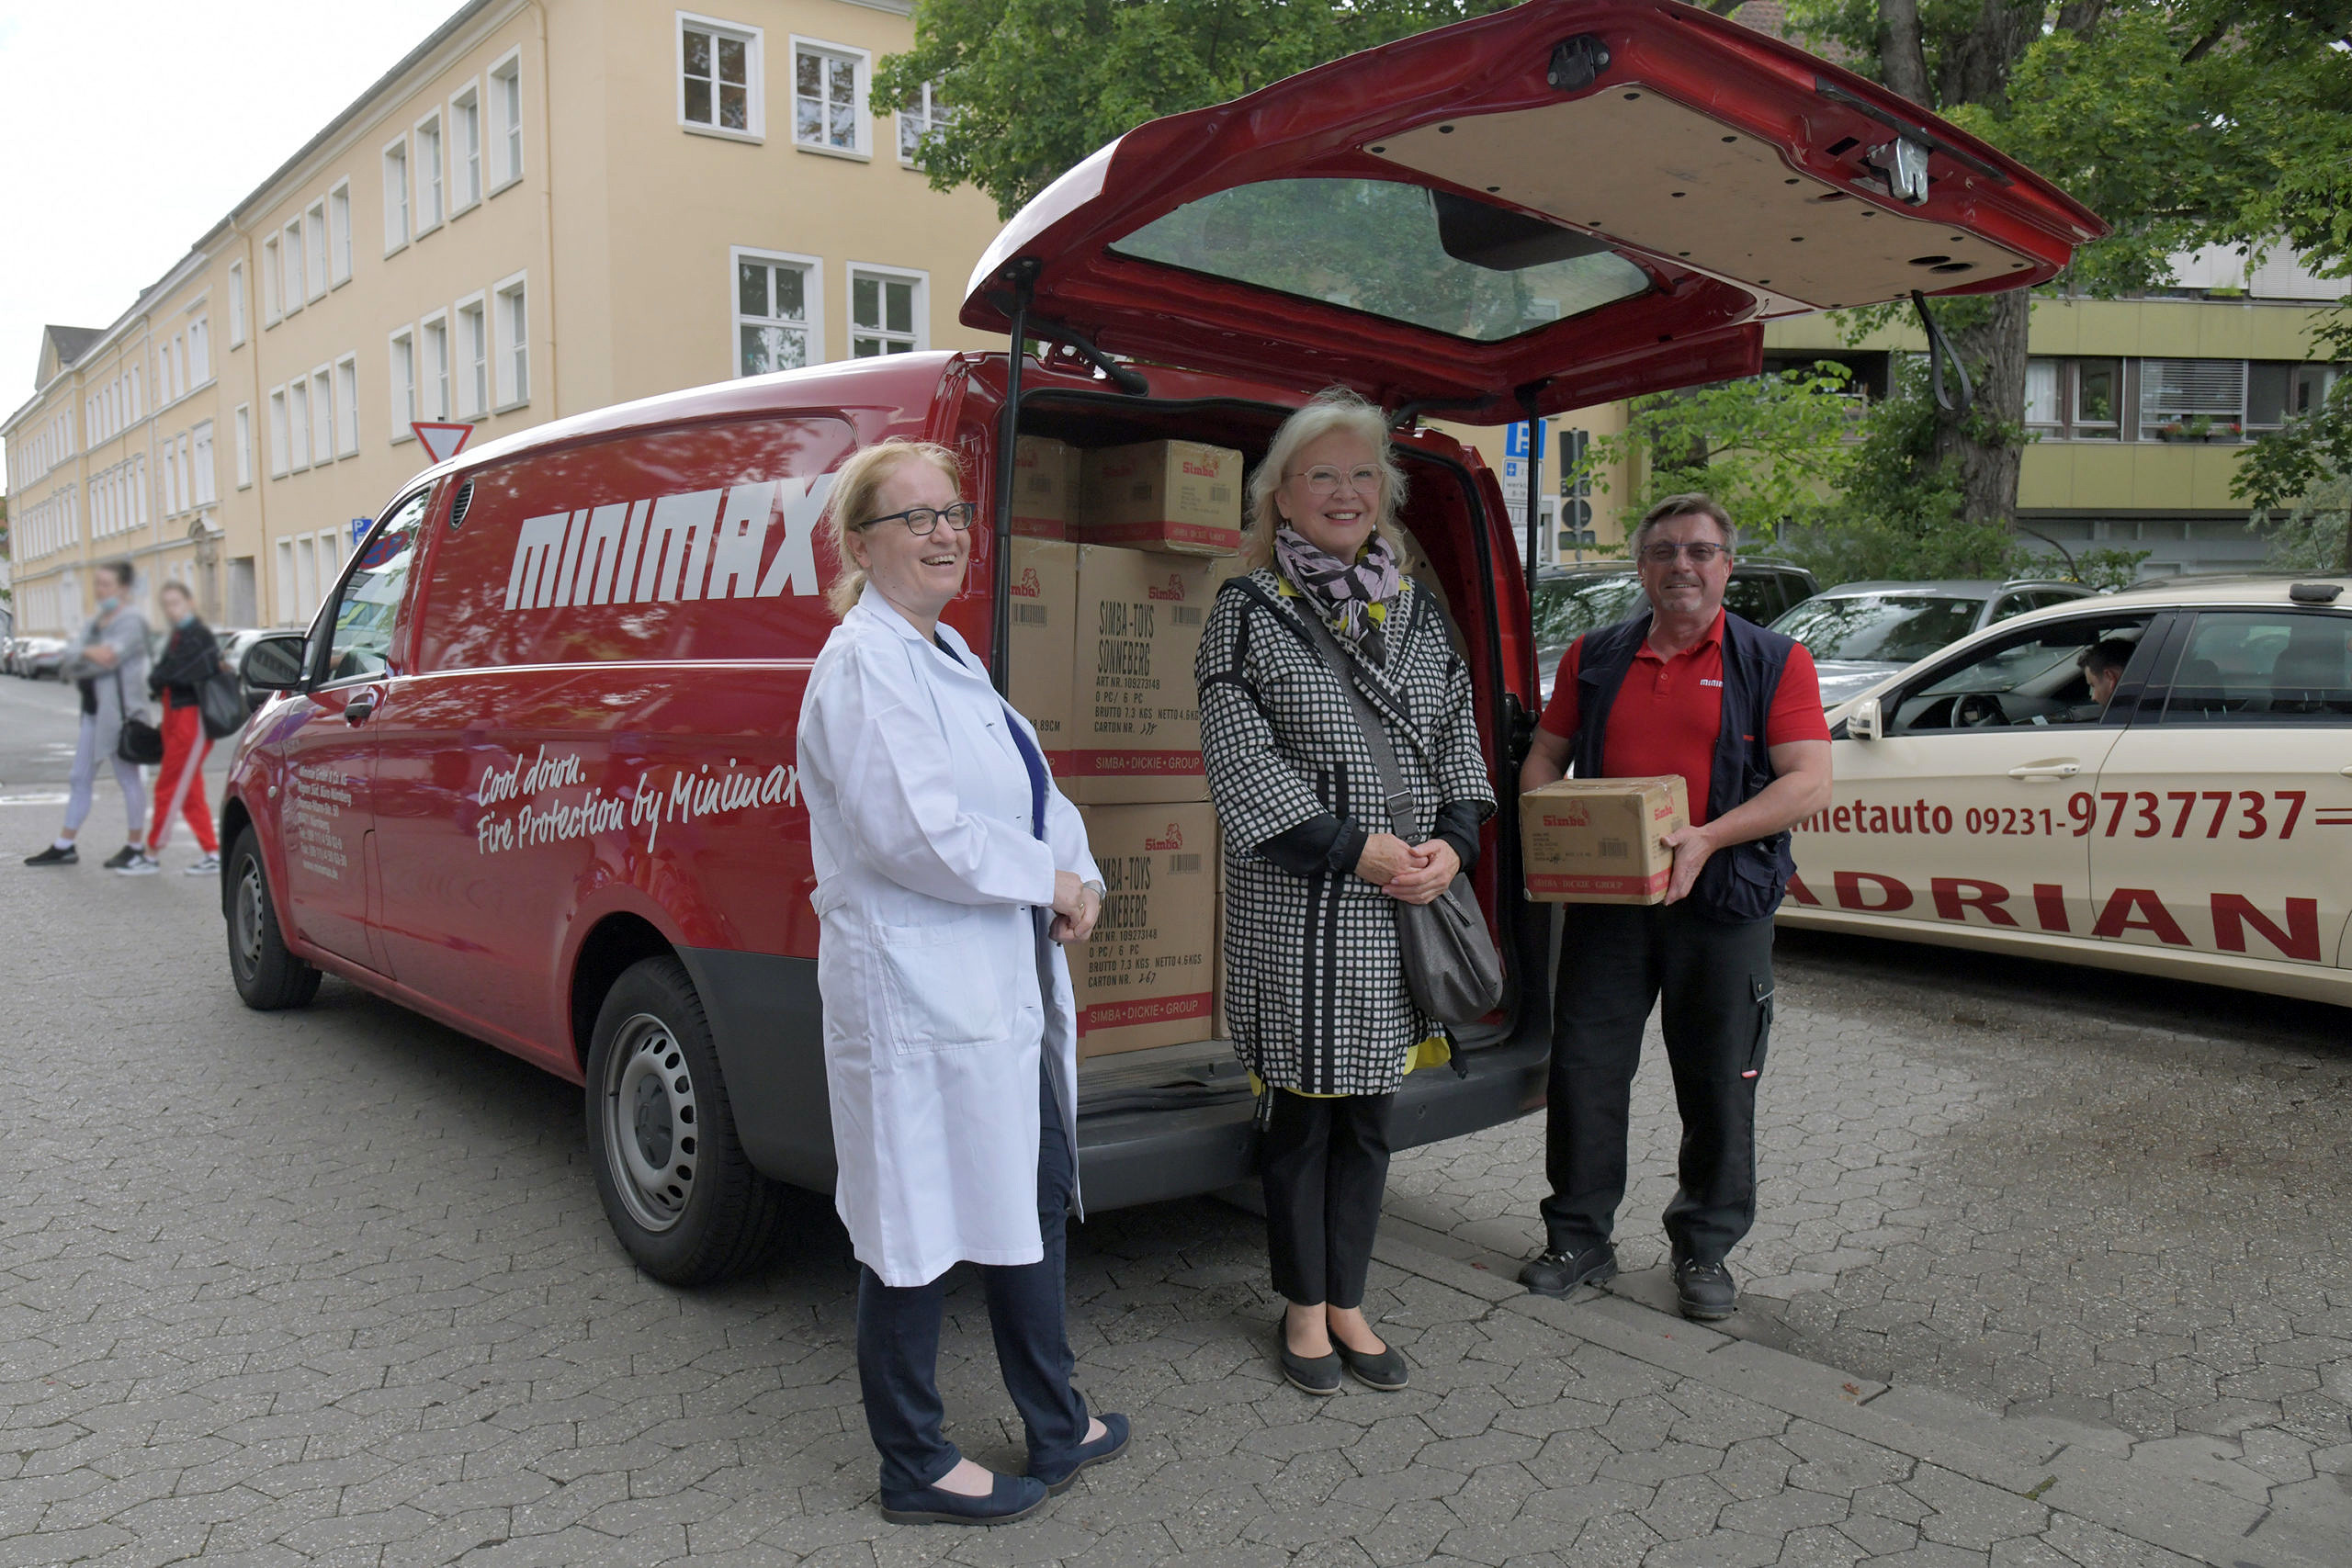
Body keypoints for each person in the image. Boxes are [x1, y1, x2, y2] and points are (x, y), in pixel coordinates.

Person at [796, 438, 1128, 1527]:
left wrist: (1074, 875)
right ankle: (915, 1463)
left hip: (998, 986)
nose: (945, 532)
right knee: (913, 1226)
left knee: (1030, 1193)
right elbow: (913, 833)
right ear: (860, 545)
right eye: (914, 517)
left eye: (953, 512)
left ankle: (1055, 1418)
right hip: (917, 1000)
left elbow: (1029, 794)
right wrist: (1047, 879)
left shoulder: (948, 658)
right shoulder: (862, 664)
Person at [1195, 389, 1496, 1395]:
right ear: (1279, 496)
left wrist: (1453, 843)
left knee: (1370, 1115)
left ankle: (1349, 1298)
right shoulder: (1245, 612)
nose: (1343, 491)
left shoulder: (1413, 607)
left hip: (1406, 909)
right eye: (1319, 474)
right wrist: (1348, 850)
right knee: (1301, 1116)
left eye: (1361, 474)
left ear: (1385, 493)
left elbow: (1459, 733)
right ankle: (1300, 1304)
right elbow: (1239, 764)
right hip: (1303, 910)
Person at [1517, 494, 1832, 1322]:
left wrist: (1707, 836)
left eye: (1699, 550)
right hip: (1611, 906)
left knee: (1719, 1079)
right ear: (1641, 566)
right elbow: (1547, 753)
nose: (1680, 566)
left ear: (1727, 564)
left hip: (1723, 900)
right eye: (1662, 551)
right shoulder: (1597, 654)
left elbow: (1808, 782)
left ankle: (1705, 1245)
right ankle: (1578, 1234)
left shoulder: (1774, 660)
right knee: (1585, 1070)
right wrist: (1548, 824)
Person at [25, 560, 151, 870]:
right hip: (93, 714)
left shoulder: (132, 621)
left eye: (106, 585)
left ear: (122, 588)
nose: (100, 591)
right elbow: (67, 661)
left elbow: (107, 658)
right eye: (98, 585)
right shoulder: (97, 623)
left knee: (128, 778)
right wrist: (85, 654)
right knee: (79, 777)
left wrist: (84, 655)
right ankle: (64, 845)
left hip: (121, 717)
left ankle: (136, 846)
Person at [121, 580, 227, 876]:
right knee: (189, 790)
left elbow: (175, 674)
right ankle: (212, 852)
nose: (171, 610)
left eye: (176, 603)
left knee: (169, 787)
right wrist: (162, 677)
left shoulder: (197, 636)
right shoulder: (182, 635)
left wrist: (162, 677)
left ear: (190, 603)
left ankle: (151, 853)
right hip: (176, 716)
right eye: (166, 605)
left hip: (190, 720)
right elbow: (161, 676)